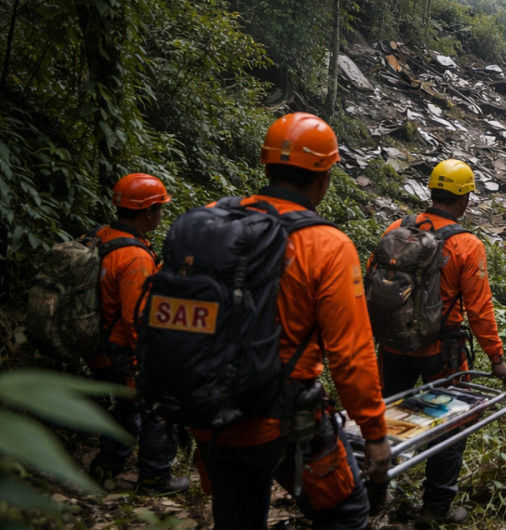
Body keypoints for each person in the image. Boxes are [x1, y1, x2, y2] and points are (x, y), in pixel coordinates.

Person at [191, 113, 391, 530]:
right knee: (347, 513)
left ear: (266, 166)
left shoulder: (210, 220)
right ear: (325, 177)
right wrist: (374, 433)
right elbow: (351, 355)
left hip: (208, 407)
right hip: (284, 419)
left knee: (236, 520)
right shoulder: (327, 245)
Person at [367, 158, 506, 525]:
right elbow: (479, 309)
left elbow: (371, 280)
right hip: (440, 353)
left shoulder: (397, 227)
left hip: (391, 345)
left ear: (431, 191)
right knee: (453, 423)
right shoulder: (467, 245)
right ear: (464, 199)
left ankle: (373, 493)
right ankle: (435, 507)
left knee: (383, 419)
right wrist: (496, 358)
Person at [86, 174, 188, 495]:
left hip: (99, 346)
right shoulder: (135, 256)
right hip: (122, 352)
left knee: (127, 409)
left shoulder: (101, 236)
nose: (162, 213)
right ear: (148, 211)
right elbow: (136, 319)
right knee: (158, 407)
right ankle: (155, 478)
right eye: (161, 207)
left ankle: (106, 467)